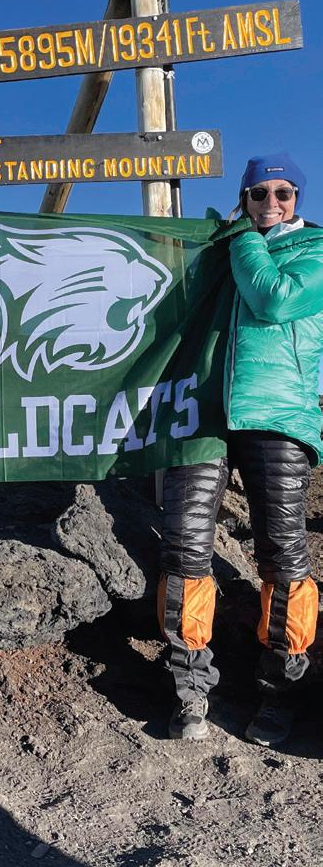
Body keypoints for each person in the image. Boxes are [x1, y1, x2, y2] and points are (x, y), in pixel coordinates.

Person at [157, 152, 322, 747]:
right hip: (201, 414)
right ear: (244, 197)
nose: (271, 203)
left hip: (280, 417)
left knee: (283, 553)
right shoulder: (221, 249)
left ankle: (279, 693)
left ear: (297, 198)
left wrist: (243, 239)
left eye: (283, 193)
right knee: (184, 544)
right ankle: (188, 688)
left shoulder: (315, 250)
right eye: (258, 194)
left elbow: (274, 300)